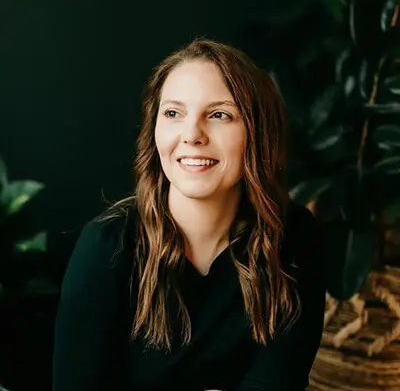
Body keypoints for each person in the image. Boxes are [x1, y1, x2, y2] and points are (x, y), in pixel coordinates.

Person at [52, 38, 326, 391]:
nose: (192, 134)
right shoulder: (108, 246)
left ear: (258, 133)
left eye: (219, 115)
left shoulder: (294, 237)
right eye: (173, 113)